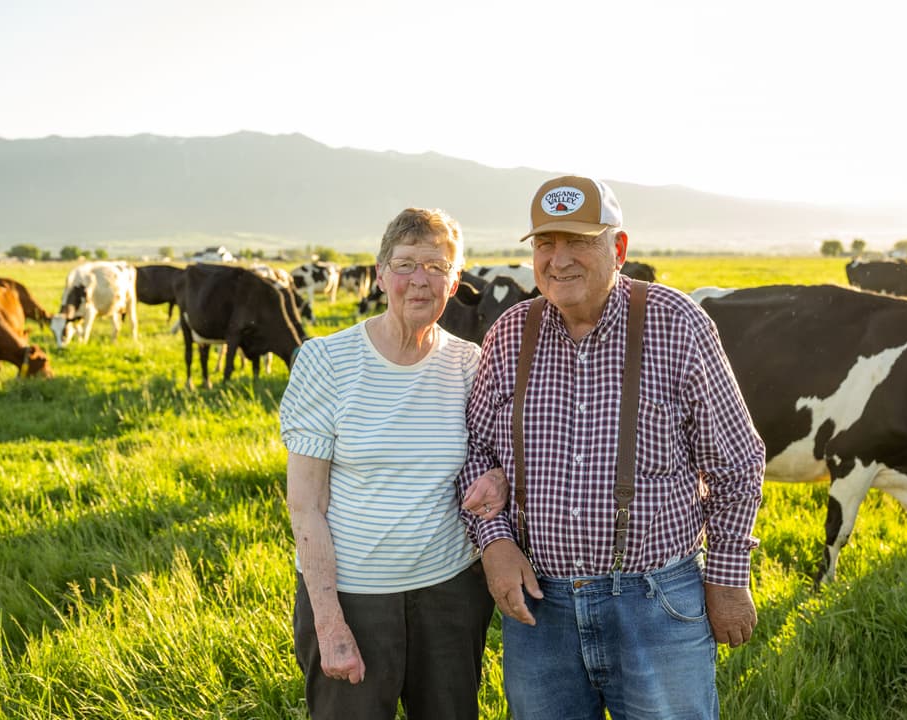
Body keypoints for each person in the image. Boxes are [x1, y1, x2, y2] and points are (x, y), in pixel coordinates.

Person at [459, 176, 766, 719]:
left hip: (655, 602)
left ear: (618, 248)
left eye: (579, 241)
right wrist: (495, 543)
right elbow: (477, 451)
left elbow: (737, 462)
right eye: (545, 243)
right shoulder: (510, 333)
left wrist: (725, 577)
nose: (558, 260)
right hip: (540, 606)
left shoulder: (676, 323)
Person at [281, 207, 505, 720]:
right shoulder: (325, 361)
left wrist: (498, 478)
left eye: (436, 266)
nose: (419, 280)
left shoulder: (471, 364)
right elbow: (306, 506)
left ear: (454, 283)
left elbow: (495, 457)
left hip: (450, 596)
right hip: (354, 598)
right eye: (405, 264)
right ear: (381, 274)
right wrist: (330, 624)